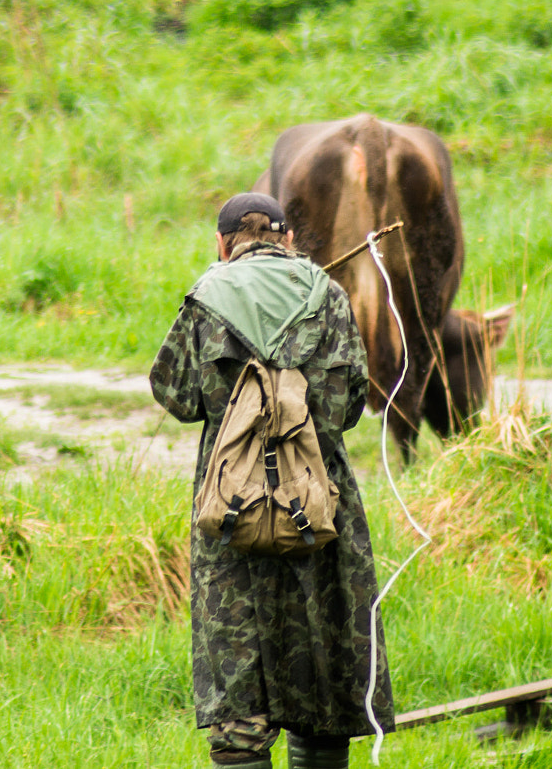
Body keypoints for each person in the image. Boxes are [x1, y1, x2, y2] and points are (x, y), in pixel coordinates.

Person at [150, 192, 394, 769]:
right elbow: (349, 405)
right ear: (287, 238)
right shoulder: (328, 295)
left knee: (237, 686)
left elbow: (176, 396)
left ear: (222, 244)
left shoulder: (205, 298)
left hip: (227, 512)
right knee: (324, 676)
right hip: (319, 508)